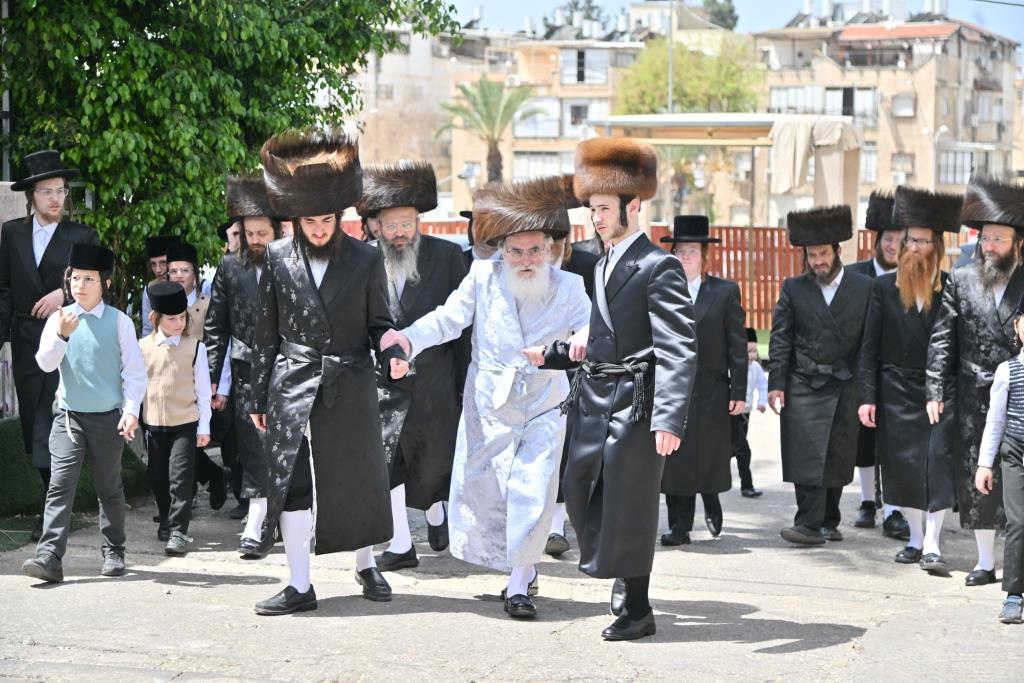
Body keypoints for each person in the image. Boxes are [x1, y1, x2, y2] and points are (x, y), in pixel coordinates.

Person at [381, 174, 591, 619]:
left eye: (536, 250)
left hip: (544, 403)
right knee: (491, 496)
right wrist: (407, 342)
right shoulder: (481, 276)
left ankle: (519, 584)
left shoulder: (570, 287)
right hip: (489, 405)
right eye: (516, 251)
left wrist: (580, 342)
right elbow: (445, 320)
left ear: (550, 249)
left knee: (533, 491)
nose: (526, 259)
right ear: (501, 250)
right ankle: (520, 567)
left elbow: (593, 327)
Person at [249, 127, 407, 615]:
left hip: (352, 377)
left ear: (339, 218)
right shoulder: (274, 258)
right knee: (291, 481)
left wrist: (392, 354)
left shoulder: (365, 257)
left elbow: (382, 322)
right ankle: (299, 583)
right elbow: (264, 334)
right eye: (310, 221)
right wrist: (256, 398)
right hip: (292, 382)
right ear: (294, 220)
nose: (319, 229)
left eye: (326, 220)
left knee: (357, 477)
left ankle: (365, 564)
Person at [558, 137, 698, 641]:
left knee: (630, 504)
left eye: (603, 208)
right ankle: (620, 578)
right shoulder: (601, 263)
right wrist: (569, 345)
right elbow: (605, 326)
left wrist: (668, 417)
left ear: (632, 206)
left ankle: (636, 607)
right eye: (591, 208)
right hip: (596, 396)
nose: (595, 218)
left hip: (637, 403)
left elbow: (679, 345)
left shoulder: (658, 266)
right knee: (578, 487)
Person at [355, 161, 467, 571]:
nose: (400, 233)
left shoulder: (449, 256)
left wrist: (464, 383)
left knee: (435, 462)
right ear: (375, 226)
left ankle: (437, 511)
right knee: (388, 464)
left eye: (406, 224)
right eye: (391, 226)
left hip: (436, 383)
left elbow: (464, 328)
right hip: (383, 385)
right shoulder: (361, 261)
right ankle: (401, 543)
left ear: (418, 220)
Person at [21, 243, 147, 583]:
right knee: (60, 486)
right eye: (75, 278)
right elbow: (45, 363)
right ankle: (49, 557)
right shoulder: (59, 319)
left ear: (105, 283)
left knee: (108, 487)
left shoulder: (120, 323)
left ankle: (114, 549)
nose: (80, 285)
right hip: (67, 417)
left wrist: (131, 411)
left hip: (108, 418)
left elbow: (134, 374)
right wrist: (62, 334)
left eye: (88, 279)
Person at [858, 186, 962, 575]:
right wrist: (867, 396)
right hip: (895, 392)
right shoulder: (883, 288)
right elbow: (868, 348)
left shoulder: (952, 287)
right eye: (910, 240)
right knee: (903, 468)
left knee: (935, 465)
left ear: (937, 244)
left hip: (940, 392)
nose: (915, 247)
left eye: (923, 240)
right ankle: (915, 539)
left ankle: (933, 543)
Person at [927, 175, 1024, 587]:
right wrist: (934, 389)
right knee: (978, 477)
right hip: (973, 396)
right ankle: (985, 562)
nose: (989, 247)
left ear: (1017, 243)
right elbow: (942, 338)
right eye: (985, 239)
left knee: (1014, 482)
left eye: (998, 240)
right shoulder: (961, 280)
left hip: (1019, 396)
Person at [0, 150, 99, 541]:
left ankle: (53, 511)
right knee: (32, 429)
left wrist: (64, 294)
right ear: (31, 196)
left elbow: (96, 283)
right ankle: (52, 498)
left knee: (58, 423)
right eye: (47, 192)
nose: (56, 198)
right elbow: (4, 288)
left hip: (68, 340)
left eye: (61, 191)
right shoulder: (12, 232)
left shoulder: (81, 236)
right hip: (26, 343)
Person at [769, 205, 872, 546]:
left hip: (844, 384)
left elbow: (868, 345)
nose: (818, 262)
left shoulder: (863, 288)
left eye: (823, 254)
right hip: (803, 383)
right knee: (807, 455)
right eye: (812, 256)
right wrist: (776, 385)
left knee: (837, 457)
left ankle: (829, 520)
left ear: (838, 251)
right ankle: (808, 524)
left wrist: (865, 393)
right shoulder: (793, 288)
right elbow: (781, 338)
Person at [659, 215, 746, 545]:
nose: (685, 258)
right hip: (674, 389)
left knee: (709, 455)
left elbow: (737, 344)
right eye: (680, 252)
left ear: (705, 256)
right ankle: (679, 527)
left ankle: (711, 500)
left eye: (692, 252)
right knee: (674, 460)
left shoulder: (724, 292)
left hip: (711, 388)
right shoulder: (663, 292)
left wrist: (738, 389)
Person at [205, 174, 281, 555]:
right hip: (246, 372)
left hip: (289, 370)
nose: (254, 240)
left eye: (261, 233)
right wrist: (215, 384)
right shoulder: (229, 268)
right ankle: (254, 523)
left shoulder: (294, 264)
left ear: (277, 230)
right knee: (251, 448)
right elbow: (215, 327)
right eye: (248, 232)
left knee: (291, 448)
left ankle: (291, 520)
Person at [848, 191, 908, 538]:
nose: (893, 246)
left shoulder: (912, 277)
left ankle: (896, 508)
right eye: (888, 239)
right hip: (863, 370)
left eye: (899, 240)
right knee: (865, 440)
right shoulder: (857, 275)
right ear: (877, 240)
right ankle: (868, 501)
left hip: (900, 373)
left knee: (896, 443)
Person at [545, 174, 599, 558]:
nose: (552, 250)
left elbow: (598, 320)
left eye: (558, 242)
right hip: (536, 371)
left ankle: (558, 525)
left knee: (568, 451)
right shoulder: (525, 262)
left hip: (576, 372)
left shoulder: (587, 264)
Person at [140, 281, 213, 555]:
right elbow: (134, 386)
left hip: (186, 423)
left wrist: (204, 426)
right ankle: (166, 521)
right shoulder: (142, 347)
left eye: (182, 317)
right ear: (155, 318)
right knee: (158, 478)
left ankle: (179, 531)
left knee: (180, 478)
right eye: (171, 319)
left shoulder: (196, 348)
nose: (179, 323)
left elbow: (203, 391)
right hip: (154, 425)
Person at [165, 242, 229, 511]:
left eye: (185, 270)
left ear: (195, 273)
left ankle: (184, 498)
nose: (179, 275)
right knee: (174, 442)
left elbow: (221, 341)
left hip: (200, 380)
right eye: (174, 271)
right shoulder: (161, 298)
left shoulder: (208, 301)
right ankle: (212, 475)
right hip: (170, 380)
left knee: (190, 439)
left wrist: (220, 385)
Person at [977, 296, 1024, 624]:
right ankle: (1013, 594)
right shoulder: (1008, 370)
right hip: (1015, 454)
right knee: (1019, 522)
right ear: (1017, 325)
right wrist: (984, 463)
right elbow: (994, 421)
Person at [734, 328, 767, 498]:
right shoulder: (733, 367)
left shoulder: (756, 368)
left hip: (747, 414)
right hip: (733, 415)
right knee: (743, 450)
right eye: (749, 351)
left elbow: (762, 385)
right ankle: (747, 485)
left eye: (755, 350)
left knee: (736, 450)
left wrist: (762, 403)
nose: (752, 355)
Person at [140, 235, 182, 335]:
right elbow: (148, 329)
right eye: (153, 264)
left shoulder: (200, 286)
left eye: (163, 263)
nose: (158, 270)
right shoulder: (150, 290)